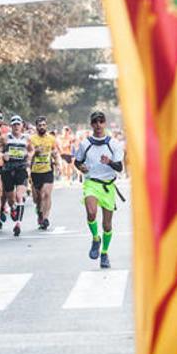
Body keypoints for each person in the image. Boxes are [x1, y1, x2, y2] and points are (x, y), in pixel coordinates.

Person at [75, 111, 124, 268]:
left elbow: (120, 167)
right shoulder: (85, 144)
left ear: (105, 123)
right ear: (91, 124)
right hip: (92, 183)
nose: (98, 125)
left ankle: (104, 253)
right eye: (95, 122)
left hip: (108, 185)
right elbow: (77, 161)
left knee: (107, 225)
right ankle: (96, 238)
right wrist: (80, 167)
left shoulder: (113, 144)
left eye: (101, 121)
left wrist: (109, 161)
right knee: (91, 212)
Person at [0, 115, 34, 237]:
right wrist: (3, 154)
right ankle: (13, 208)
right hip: (8, 169)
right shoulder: (5, 138)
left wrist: (29, 156)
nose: (16, 126)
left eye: (18, 124)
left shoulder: (27, 138)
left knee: (20, 196)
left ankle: (18, 224)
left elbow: (31, 150)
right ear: (11, 126)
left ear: (22, 126)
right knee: (11, 199)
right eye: (13, 124)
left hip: (21, 168)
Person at [29, 116, 58, 230]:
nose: (42, 127)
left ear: (46, 126)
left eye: (43, 125)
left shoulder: (51, 139)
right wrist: (35, 152)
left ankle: (45, 219)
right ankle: (40, 213)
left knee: (46, 194)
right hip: (35, 171)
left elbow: (55, 152)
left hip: (47, 170)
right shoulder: (32, 139)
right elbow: (29, 154)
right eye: (39, 125)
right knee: (37, 199)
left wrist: (58, 162)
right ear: (36, 127)